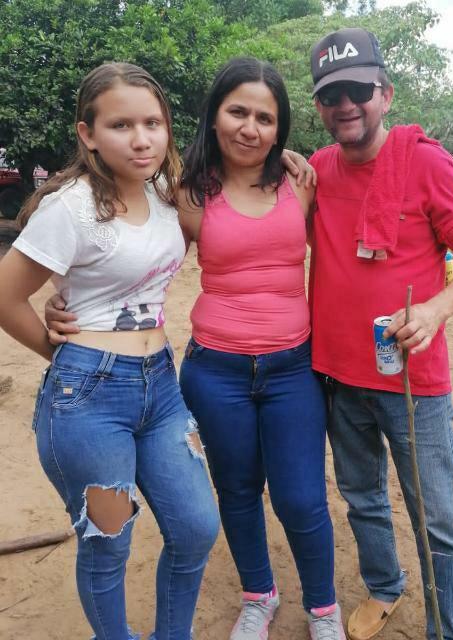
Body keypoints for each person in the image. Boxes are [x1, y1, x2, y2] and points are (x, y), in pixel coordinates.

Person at [0, 63, 220, 639]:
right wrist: (60, 353)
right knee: (108, 544)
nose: (141, 139)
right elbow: (5, 296)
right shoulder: (70, 208)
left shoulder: (164, 195)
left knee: (196, 528)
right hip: (89, 397)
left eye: (153, 123)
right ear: (88, 134)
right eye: (121, 125)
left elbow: (237, 180)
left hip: (161, 387)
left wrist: (287, 158)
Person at [307, 28, 453, 640]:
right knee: (362, 498)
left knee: (436, 517)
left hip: (414, 381)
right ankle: (385, 586)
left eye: (359, 91)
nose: (346, 105)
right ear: (320, 107)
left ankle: (451, 628)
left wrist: (435, 310)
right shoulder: (316, 171)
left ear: (385, 94)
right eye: (331, 96)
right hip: (338, 376)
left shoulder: (425, 162)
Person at [176, 57, 344, 640]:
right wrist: (69, 300)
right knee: (238, 490)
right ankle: (258, 596)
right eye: (238, 112)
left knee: (301, 498)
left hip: (292, 369)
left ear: (280, 129)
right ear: (214, 116)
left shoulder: (300, 182)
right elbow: (140, 262)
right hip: (214, 371)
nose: (250, 128)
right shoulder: (188, 194)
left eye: (265, 118)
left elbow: (345, 246)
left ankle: (323, 609)